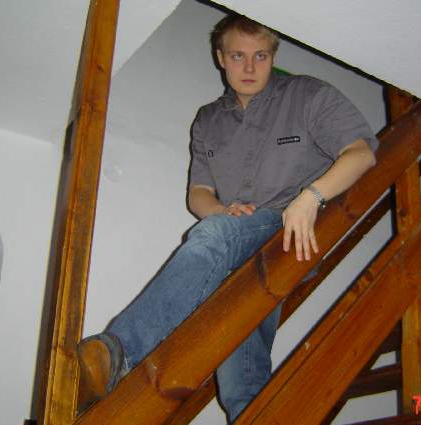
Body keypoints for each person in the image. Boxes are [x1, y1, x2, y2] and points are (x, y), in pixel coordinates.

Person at [78, 14, 379, 422]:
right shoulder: (207, 120)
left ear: (273, 56)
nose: (250, 67)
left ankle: (119, 353)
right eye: (238, 56)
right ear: (221, 58)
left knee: (214, 234)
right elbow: (198, 194)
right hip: (240, 247)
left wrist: (310, 198)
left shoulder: (308, 95)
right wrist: (222, 211)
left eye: (261, 56)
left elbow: (361, 153)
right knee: (240, 381)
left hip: (292, 235)